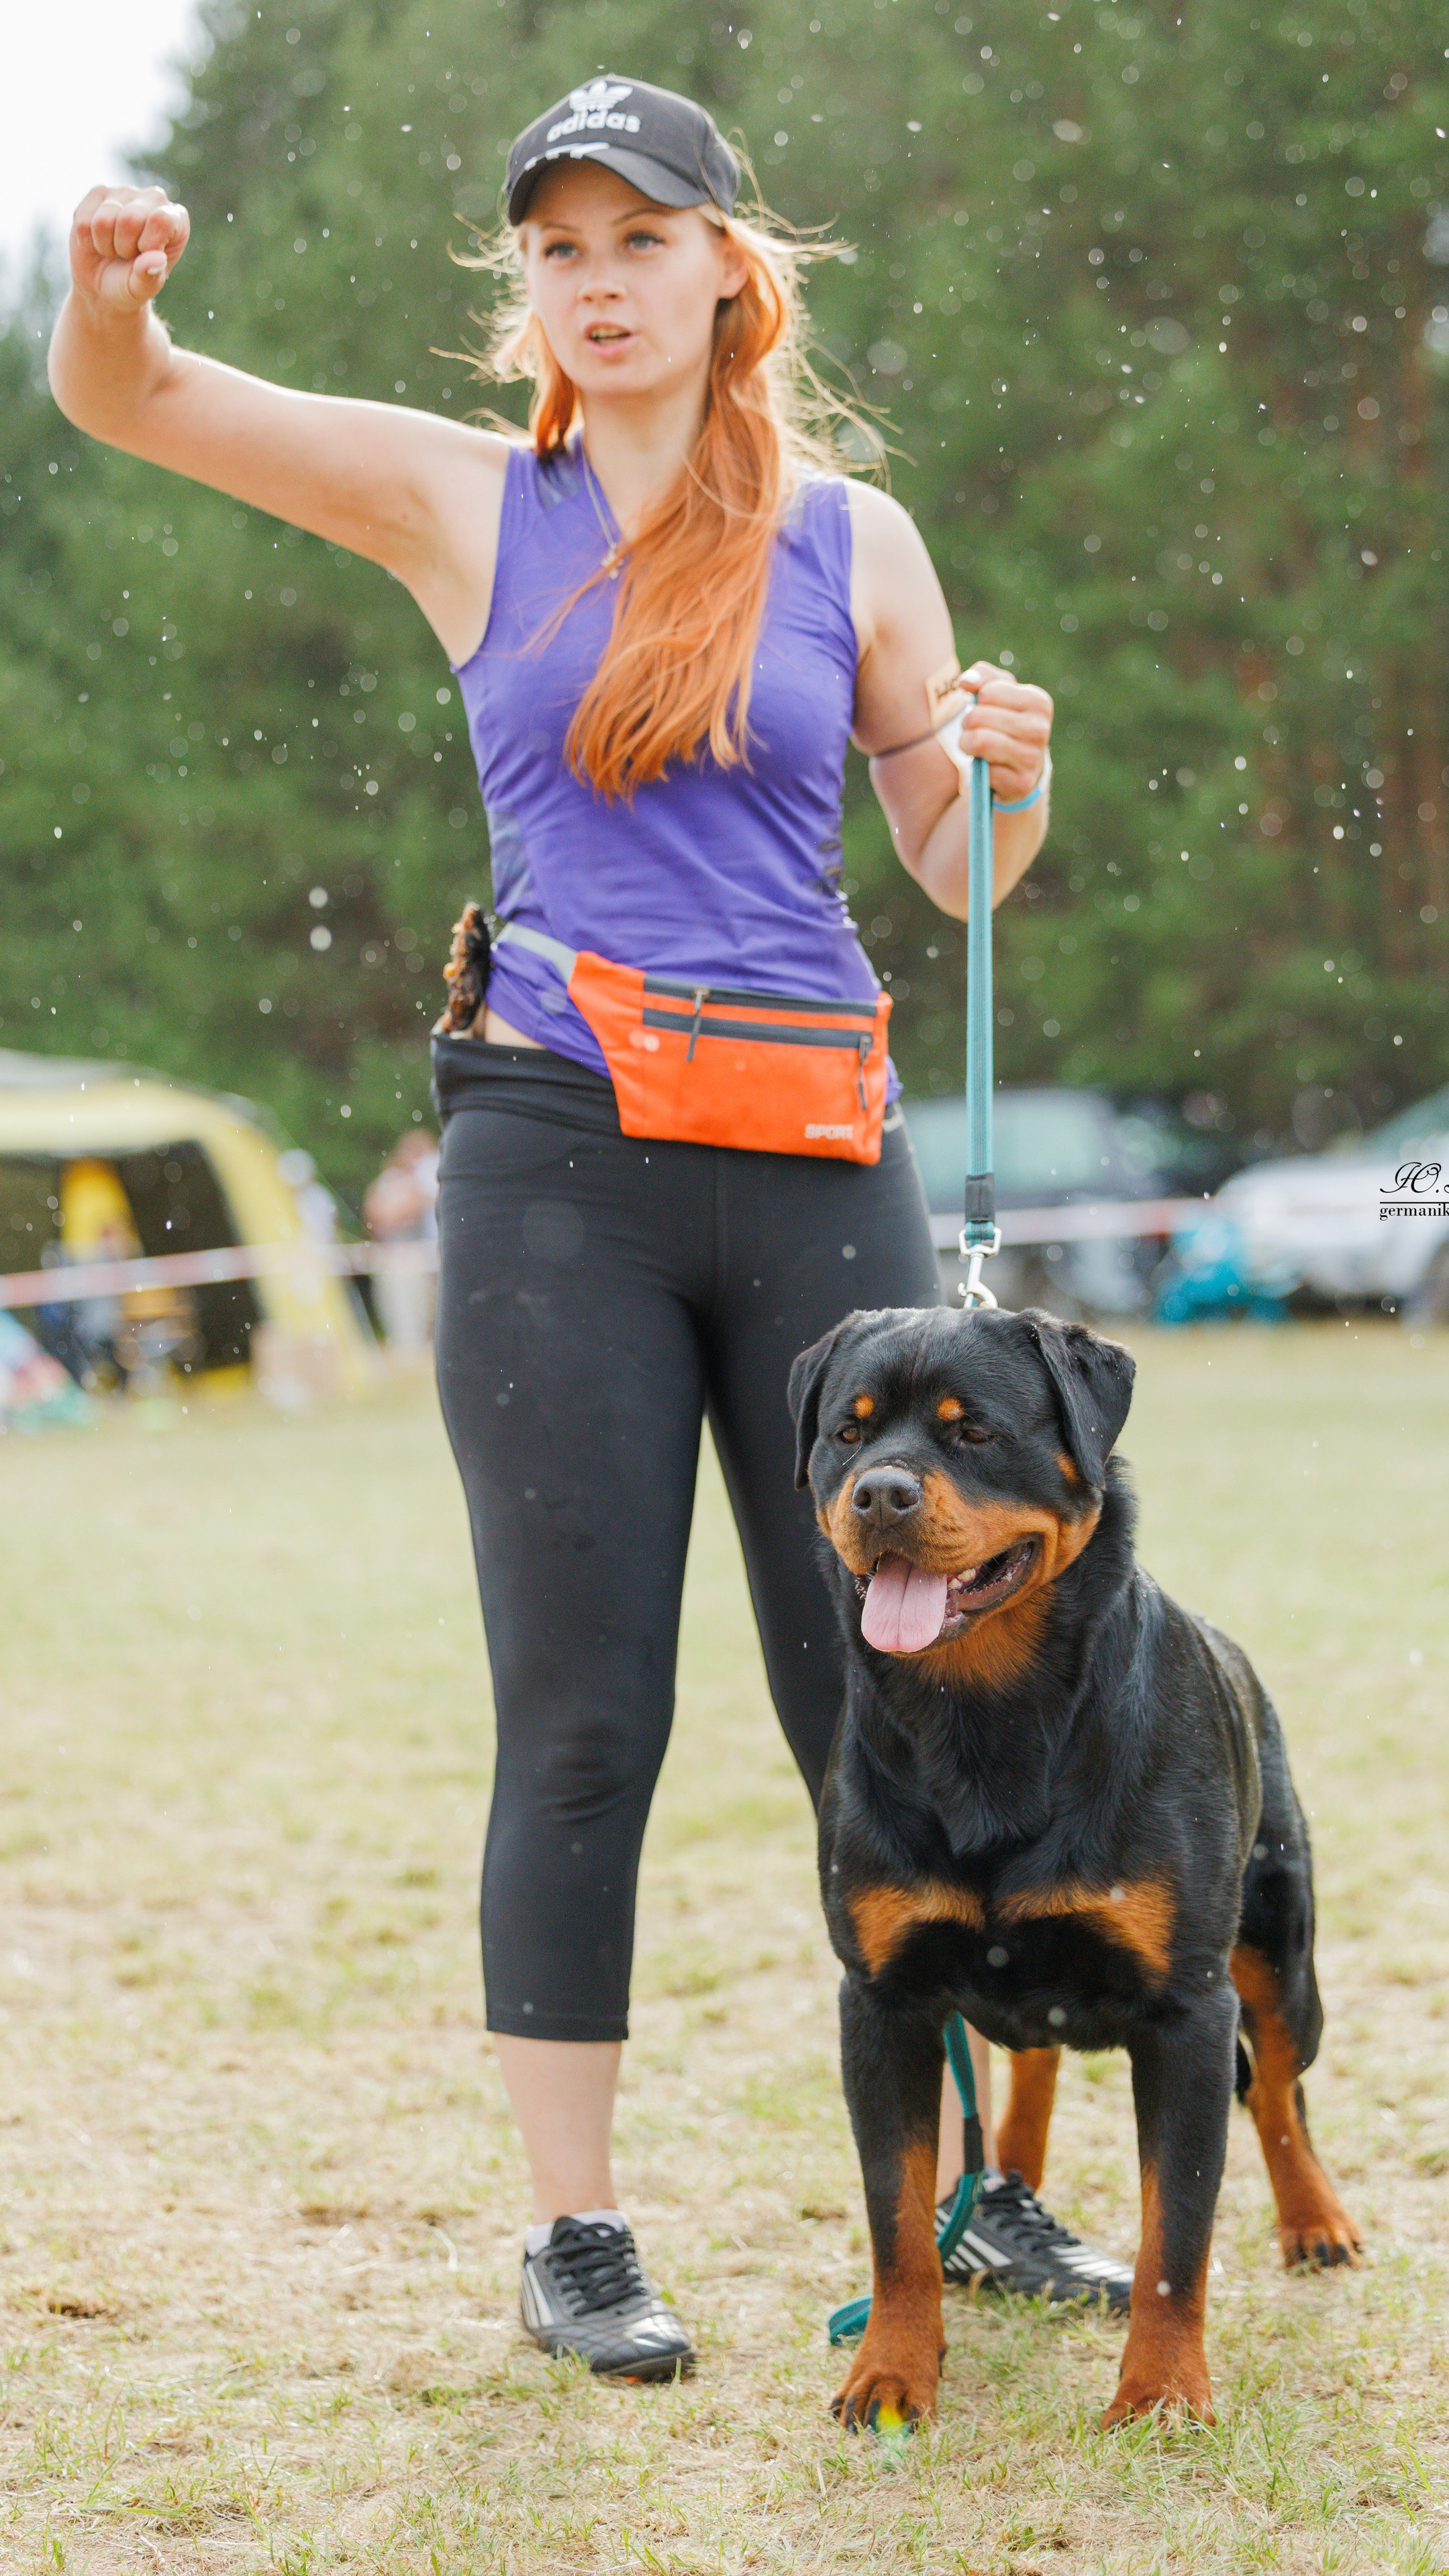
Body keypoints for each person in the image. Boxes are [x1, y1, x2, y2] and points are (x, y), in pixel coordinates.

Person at [51, 71, 1132, 2381]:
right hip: (559, 1159)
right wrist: (110, 299)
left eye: (639, 240)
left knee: (898, 1681)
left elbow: (955, 874)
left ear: (731, 268)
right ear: (526, 288)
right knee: (583, 1714)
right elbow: (135, 406)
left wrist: (1005, 775)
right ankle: (579, 2231)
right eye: (556, 247)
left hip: (826, 1150)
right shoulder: (470, 503)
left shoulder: (862, 541)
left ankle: (957, 2193)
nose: (597, 280)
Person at [362, 1130, 440, 1354]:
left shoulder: (424, 1179)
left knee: (424, 1305)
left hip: (421, 1255)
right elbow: (375, 1215)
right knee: (399, 1307)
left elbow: (406, 1211)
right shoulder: (389, 1181)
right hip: (397, 1256)